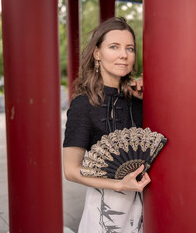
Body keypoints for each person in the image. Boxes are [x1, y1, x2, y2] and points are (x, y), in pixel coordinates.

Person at [63, 17, 149, 233]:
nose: (124, 55)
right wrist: (119, 184)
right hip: (105, 211)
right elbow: (71, 170)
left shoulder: (139, 99)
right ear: (97, 53)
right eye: (114, 47)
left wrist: (151, 97)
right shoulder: (84, 104)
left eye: (130, 48)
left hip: (145, 208)